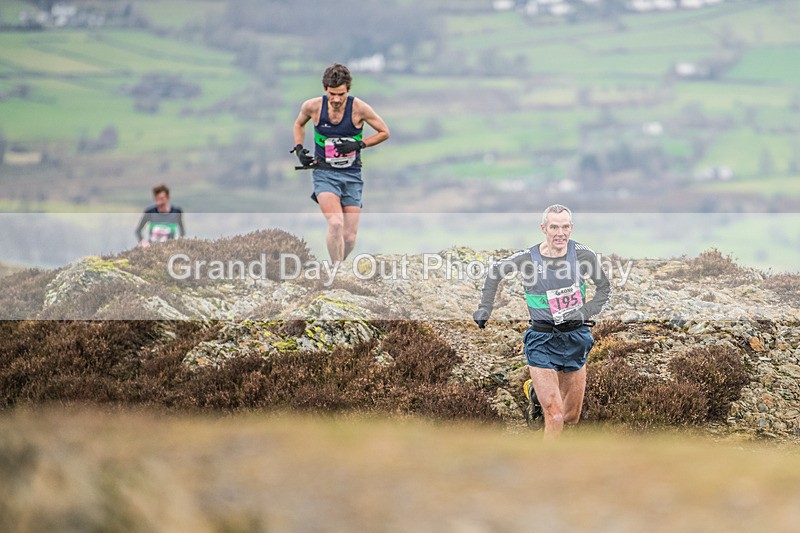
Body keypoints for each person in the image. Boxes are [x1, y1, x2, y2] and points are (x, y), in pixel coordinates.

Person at [473, 204, 611, 438]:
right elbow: (495, 271)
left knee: (570, 416)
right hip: (542, 338)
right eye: (554, 227)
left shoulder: (583, 255)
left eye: (565, 226)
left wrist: (585, 311)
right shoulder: (529, 258)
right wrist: (485, 307)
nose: (560, 233)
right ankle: (546, 469)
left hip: (576, 337)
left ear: (571, 227)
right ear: (543, 228)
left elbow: (604, 289)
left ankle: (534, 394)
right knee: (555, 416)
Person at [292, 63, 390, 263]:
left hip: (352, 175)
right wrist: (299, 149)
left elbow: (384, 132)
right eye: (332, 94)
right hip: (324, 173)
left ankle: (340, 266)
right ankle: (336, 272)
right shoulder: (312, 106)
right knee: (336, 224)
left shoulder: (359, 108)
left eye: (341, 94)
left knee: (350, 238)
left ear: (348, 90)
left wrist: (359, 144)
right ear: (325, 89)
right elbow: (299, 124)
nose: (336, 99)